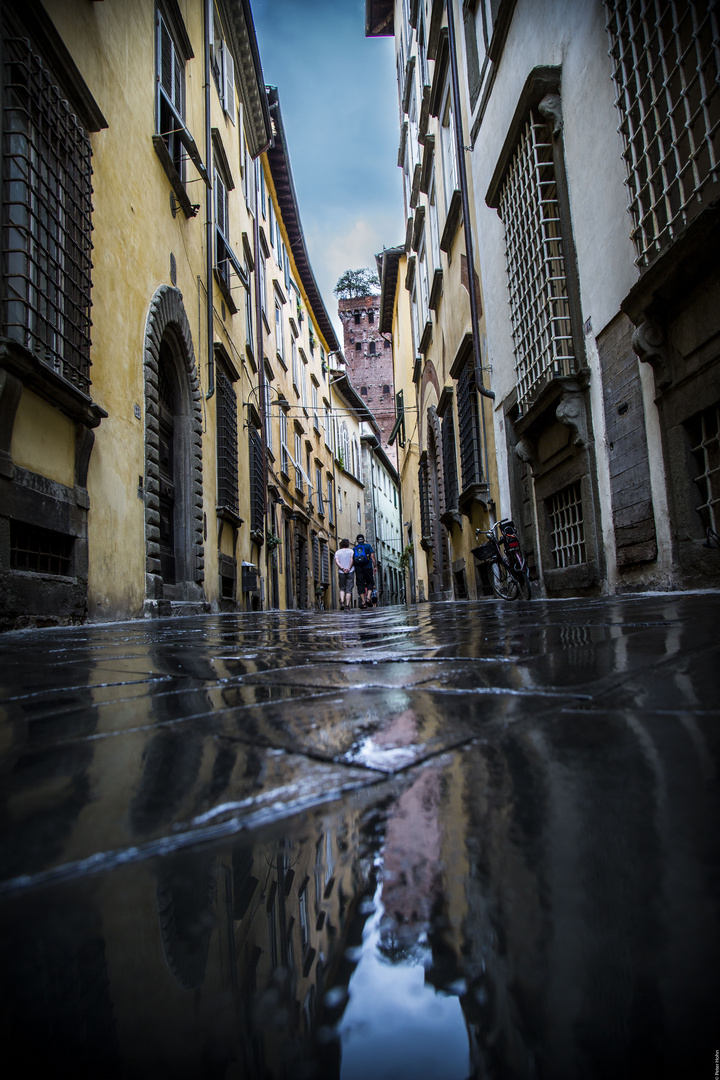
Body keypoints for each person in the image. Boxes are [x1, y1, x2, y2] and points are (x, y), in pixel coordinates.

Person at [353, 533, 377, 608]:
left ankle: (363, 602)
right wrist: (375, 566)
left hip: (358, 568)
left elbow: (352, 558)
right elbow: (372, 556)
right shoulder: (368, 546)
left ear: (357, 540)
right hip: (368, 567)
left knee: (360, 584)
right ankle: (368, 598)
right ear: (363, 539)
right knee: (370, 582)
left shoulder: (355, 548)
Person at [334, 539, 355, 610]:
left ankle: (342, 602)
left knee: (342, 588)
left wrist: (342, 568)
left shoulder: (337, 552)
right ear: (348, 544)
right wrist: (348, 568)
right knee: (349, 589)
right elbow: (352, 560)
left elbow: (337, 561)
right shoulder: (351, 551)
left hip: (341, 572)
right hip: (350, 571)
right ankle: (347, 605)